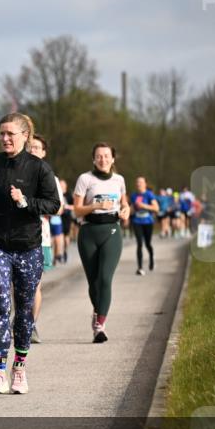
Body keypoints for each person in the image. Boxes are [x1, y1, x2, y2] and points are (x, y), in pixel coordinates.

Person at [0, 112, 61, 395]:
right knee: (2, 304)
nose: (4, 138)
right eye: (1, 133)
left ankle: (20, 368)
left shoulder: (39, 168)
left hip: (28, 247)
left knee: (24, 309)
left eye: (10, 134)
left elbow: (54, 204)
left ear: (25, 136)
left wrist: (25, 201)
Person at [72, 143, 131, 344]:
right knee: (94, 282)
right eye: (99, 156)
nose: (103, 159)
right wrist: (96, 205)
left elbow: (124, 203)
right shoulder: (85, 179)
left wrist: (126, 210)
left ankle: (100, 325)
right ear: (93, 159)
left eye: (106, 156)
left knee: (105, 278)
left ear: (113, 159)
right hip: (88, 231)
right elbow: (77, 210)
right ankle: (98, 313)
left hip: (111, 231)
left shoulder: (119, 180)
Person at [25, 135, 65, 344]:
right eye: (29, 147)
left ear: (43, 153)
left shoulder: (50, 177)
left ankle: (31, 325)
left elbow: (59, 206)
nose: (32, 151)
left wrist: (32, 206)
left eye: (37, 148)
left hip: (41, 237)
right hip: (17, 236)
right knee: (16, 286)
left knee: (35, 285)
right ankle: (21, 320)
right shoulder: (17, 173)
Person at [131, 176, 160, 275]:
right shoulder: (134, 195)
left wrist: (144, 206)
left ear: (145, 184)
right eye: (137, 182)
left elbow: (156, 208)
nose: (138, 184)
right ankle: (140, 268)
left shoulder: (149, 194)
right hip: (137, 221)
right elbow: (132, 209)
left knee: (148, 244)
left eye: (141, 182)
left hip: (148, 222)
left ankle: (151, 258)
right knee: (139, 243)